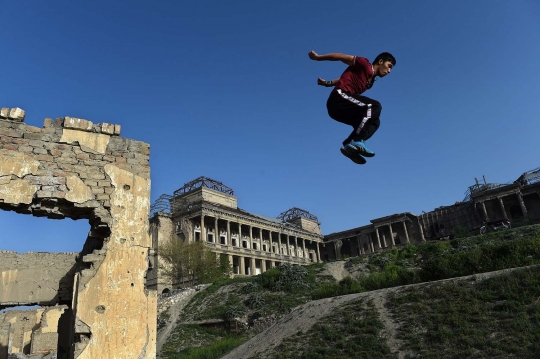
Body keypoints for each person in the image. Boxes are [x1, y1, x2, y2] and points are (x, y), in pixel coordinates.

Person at [308, 50, 396, 164]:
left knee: (374, 121)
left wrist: (328, 83)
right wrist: (318, 58)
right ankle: (357, 140)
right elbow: (340, 56)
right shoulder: (364, 63)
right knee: (374, 106)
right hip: (338, 98)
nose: (389, 71)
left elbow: (343, 79)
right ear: (380, 61)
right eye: (389, 66)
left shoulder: (370, 82)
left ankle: (349, 146)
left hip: (342, 109)